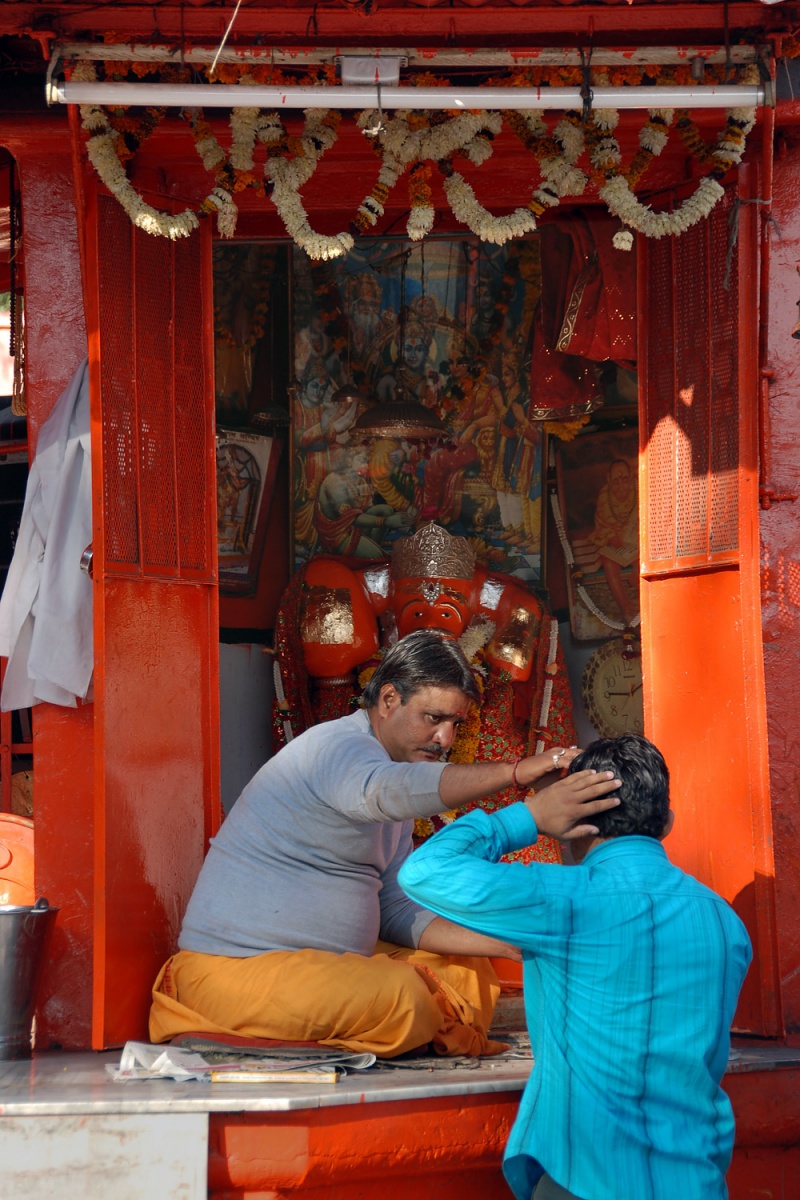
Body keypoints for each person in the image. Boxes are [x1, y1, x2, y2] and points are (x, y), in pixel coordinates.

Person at [149, 631, 620, 1059]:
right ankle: (422, 1026)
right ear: (389, 699)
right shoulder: (339, 749)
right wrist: (516, 775)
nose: (445, 739)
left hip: (331, 968)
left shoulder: (390, 773)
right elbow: (386, 790)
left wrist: (504, 944)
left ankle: (417, 1026)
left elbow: (395, 909)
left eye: (455, 723)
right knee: (405, 995)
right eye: (433, 719)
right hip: (234, 974)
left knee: (468, 964)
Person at [399, 733, 752, 1200]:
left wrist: (528, 816)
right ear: (666, 821)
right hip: (696, 1181)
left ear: (575, 821)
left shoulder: (563, 901)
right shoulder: (725, 922)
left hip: (587, 1179)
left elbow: (422, 872)